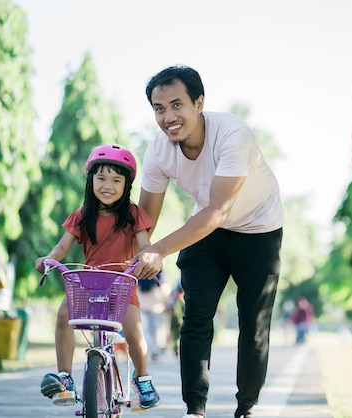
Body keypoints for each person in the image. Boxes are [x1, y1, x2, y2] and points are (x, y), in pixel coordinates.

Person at [129, 65, 284, 418]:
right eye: (158, 108)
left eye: (176, 105)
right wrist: (124, 257)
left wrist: (159, 250)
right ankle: (195, 409)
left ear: (199, 103)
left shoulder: (233, 134)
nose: (168, 117)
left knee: (254, 324)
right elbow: (144, 223)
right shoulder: (158, 151)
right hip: (208, 234)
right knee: (196, 316)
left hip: (259, 230)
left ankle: (247, 407)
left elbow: (218, 209)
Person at [35, 144, 161, 409]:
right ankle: (65, 377)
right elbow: (61, 247)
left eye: (117, 180)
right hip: (88, 286)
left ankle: (143, 379)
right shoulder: (82, 216)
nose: (108, 185)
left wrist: (148, 256)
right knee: (62, 316)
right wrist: (48, 259)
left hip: (121, 286)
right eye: (101, 178)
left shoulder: (133, 214)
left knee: (135, 332)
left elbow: (145, 244)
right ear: (90, 179)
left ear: (126, 185)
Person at [137, 271, 170, 362]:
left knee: (146, 331)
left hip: (143, 306)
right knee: (155, 332)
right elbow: (165, 291)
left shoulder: (140, 276)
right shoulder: (159, 278)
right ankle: (154, 352)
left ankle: (149, 351)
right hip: (157, 308)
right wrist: (167, 303)